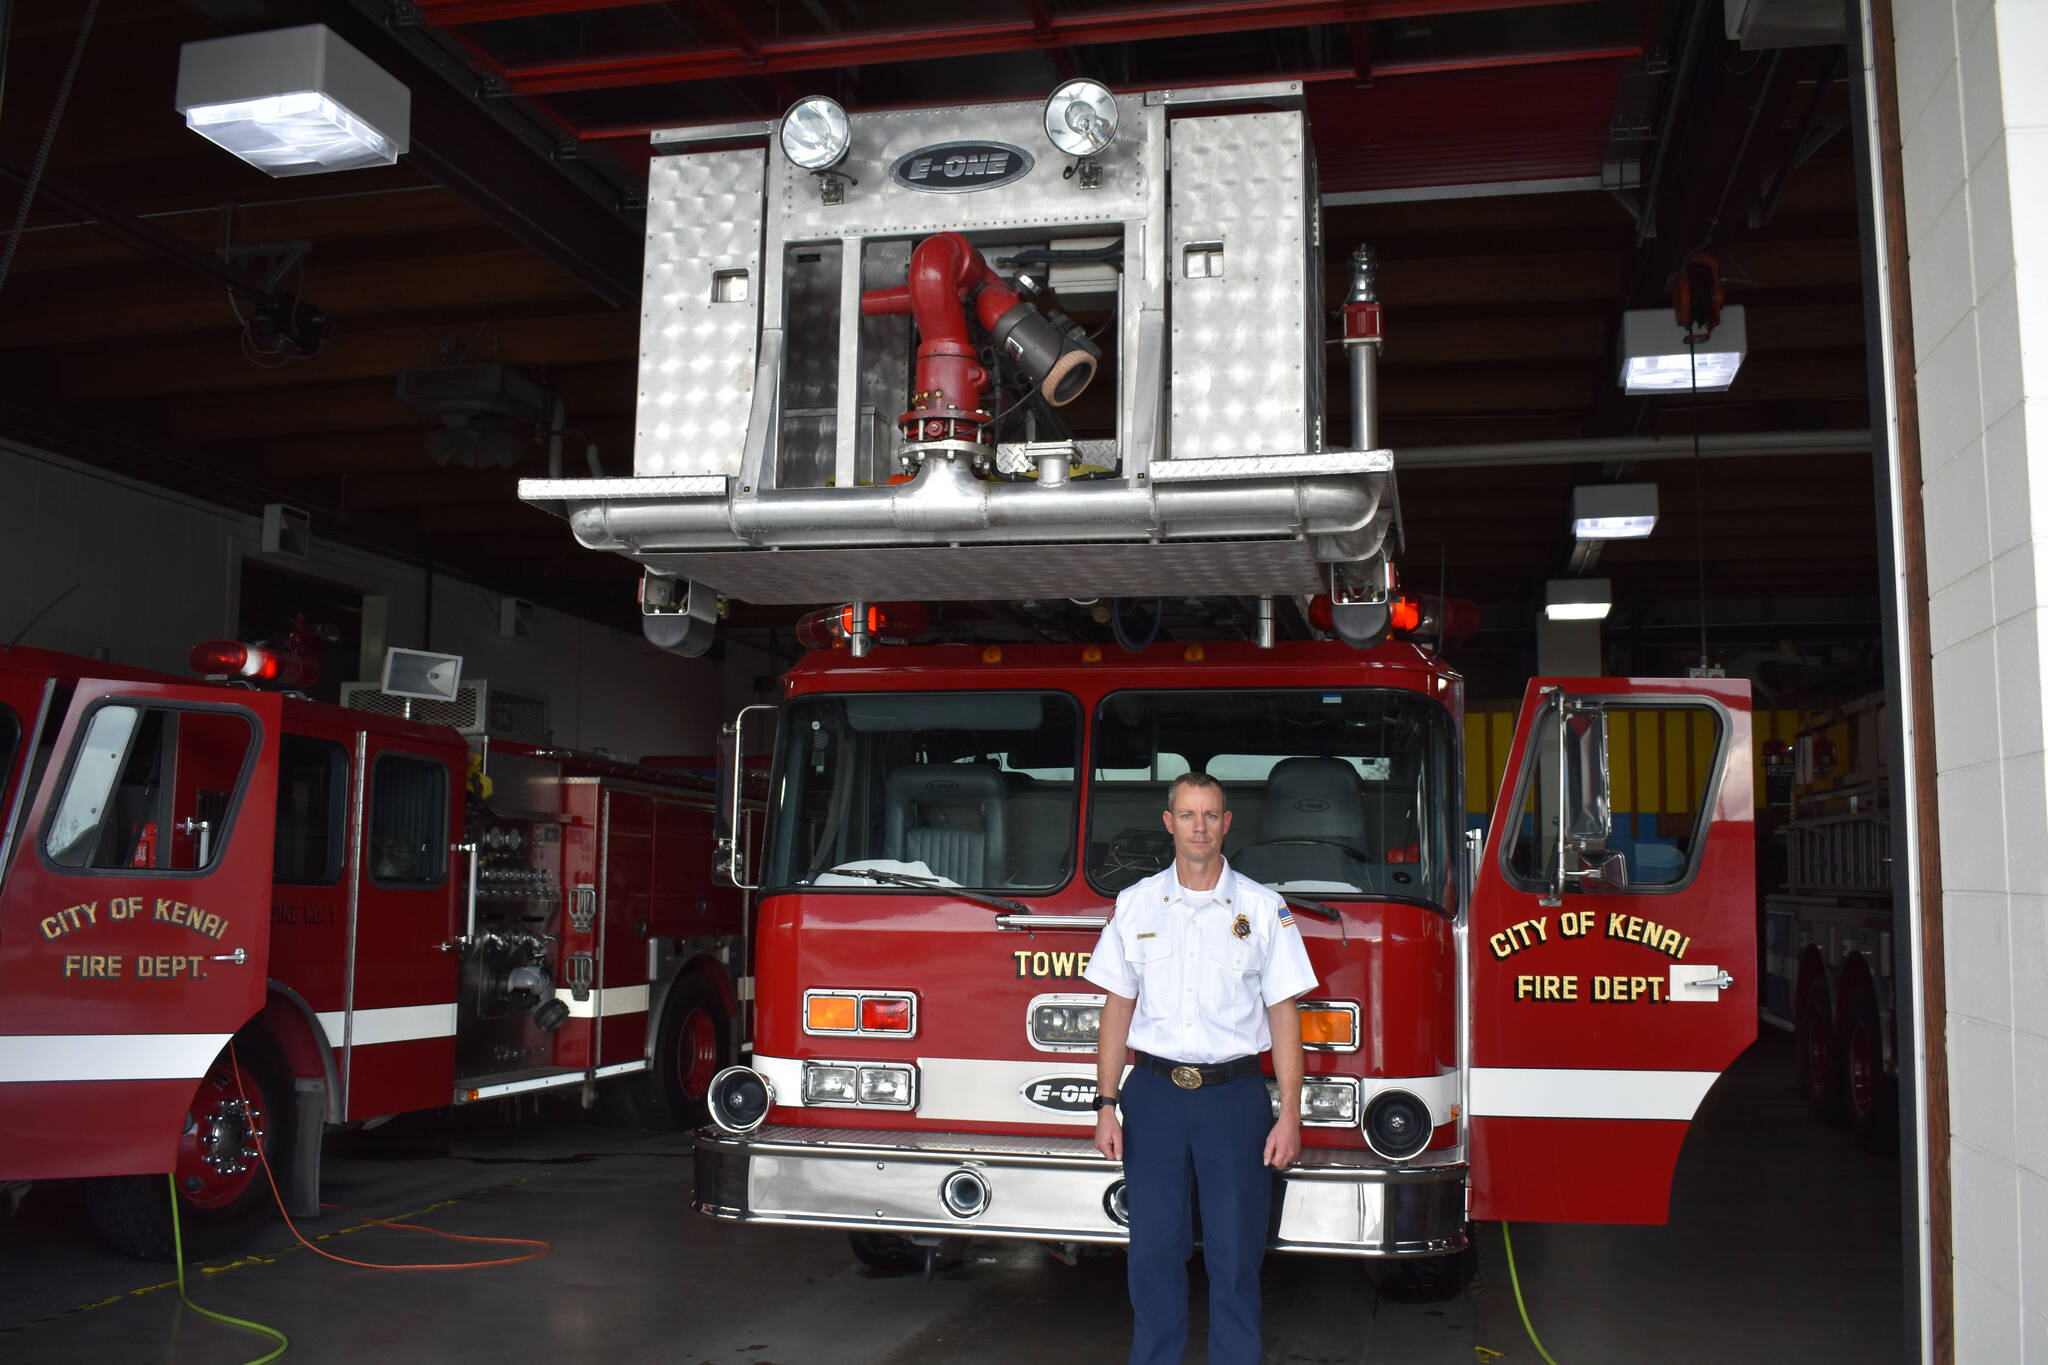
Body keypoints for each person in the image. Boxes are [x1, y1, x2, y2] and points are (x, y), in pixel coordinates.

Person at [1083, 772, 1318, 1365]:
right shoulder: (1135, 904)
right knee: (1153, 1252)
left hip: (1233, 1099)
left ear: (1227, 823)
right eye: (1187, 815)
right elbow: (1116, 1007)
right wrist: (1106, 1103)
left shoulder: (1263, 911)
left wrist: (1290, 1112)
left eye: (1210, 815)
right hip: (1154, 1098)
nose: (1199, 827)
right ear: (1169, 823)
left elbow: (1284, 1016)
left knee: (1236, 1254)